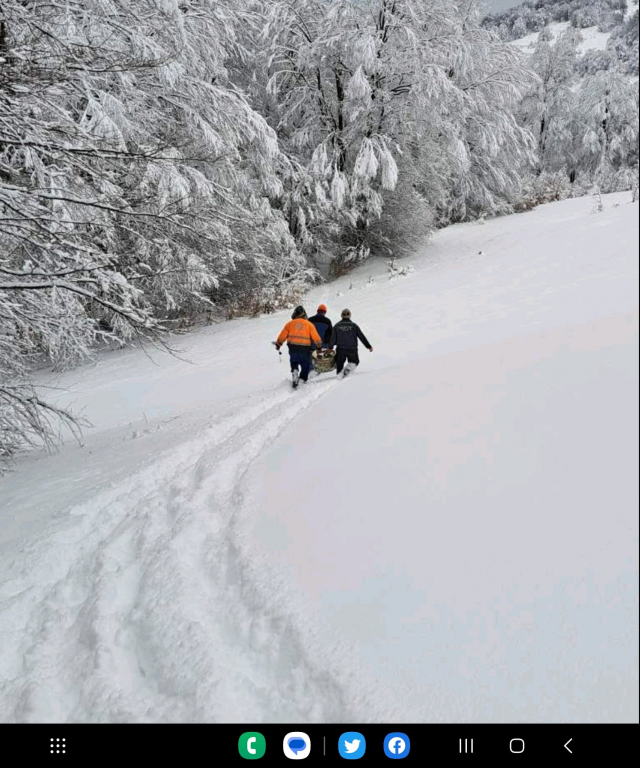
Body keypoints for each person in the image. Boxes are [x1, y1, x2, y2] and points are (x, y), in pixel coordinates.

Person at [275, 305, 322, 387]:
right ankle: (302, 380)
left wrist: (279, 344)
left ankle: (295, 370)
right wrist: (318, 346)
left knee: (294, 361)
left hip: (292, 347)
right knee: (305, 364)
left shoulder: (289, 324)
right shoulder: (309, 324)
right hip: (304, 348)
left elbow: (283, 335)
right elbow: (316, 337)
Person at [329, 308, 373, 376]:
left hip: (340, 349)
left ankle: (340, 377)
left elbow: (332, 338)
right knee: (355, 362)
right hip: (352, 349)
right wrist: (368, 346)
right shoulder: (354, 326)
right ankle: (346, 372)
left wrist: (330, 347)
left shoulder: (337, 326)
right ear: (350, 315)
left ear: (341, 315)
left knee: (339, 365)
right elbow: (361, 336)